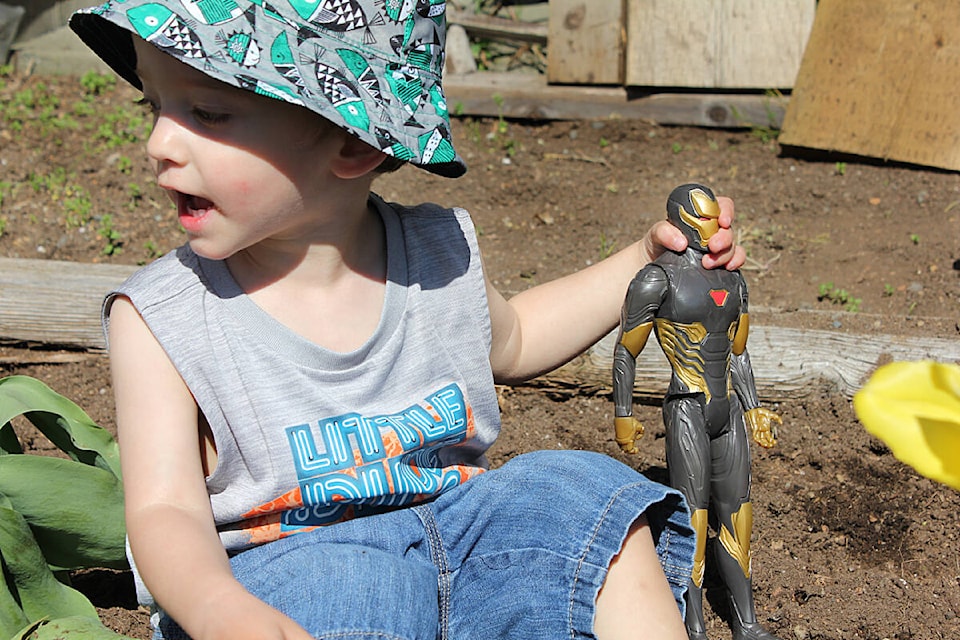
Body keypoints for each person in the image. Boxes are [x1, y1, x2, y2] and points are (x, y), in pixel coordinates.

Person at [69, 3, 745, 639]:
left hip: (465, 534)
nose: (160, 142)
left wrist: (645, 259)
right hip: (299, 576)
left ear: (354, 144)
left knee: (577, 497)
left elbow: (519, 338)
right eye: (155, 105)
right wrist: (220, 609)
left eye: (209, 113)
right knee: (343, 587)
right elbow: (165, 511)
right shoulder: (163, 318)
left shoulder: (436, 256)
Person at [611, 184, 781, 640]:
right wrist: (623, 411)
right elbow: (627, 348)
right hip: (686, 403)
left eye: (719, 220)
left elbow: (739, 353)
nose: (718, 227)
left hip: (726, 410)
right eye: (707, 219)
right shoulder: (656, 278)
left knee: (738, 512)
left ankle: (747, 622)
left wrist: (755, 407)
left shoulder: (733, 279)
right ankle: (693, 625)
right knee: (695, 516)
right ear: (683, 219)